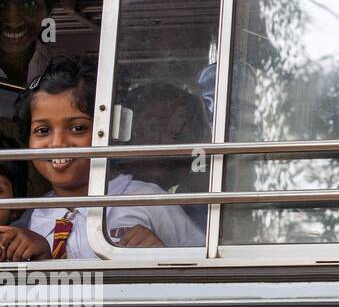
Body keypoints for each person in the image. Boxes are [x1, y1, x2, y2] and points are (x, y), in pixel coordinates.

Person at [0, 56, 203, 261]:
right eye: (43, 130)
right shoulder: (32, 217)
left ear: (107, 131)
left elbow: (206, 272)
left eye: (77, 128)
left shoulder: (148, 200)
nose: (57, 143)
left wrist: (163, 256)